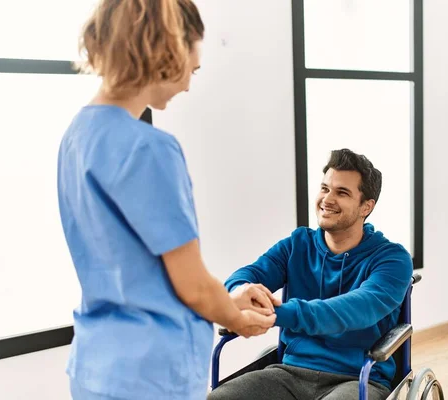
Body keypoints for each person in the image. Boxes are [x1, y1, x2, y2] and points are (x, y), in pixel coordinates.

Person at [57, 1, 277, 399]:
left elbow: (136, 273)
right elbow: (192, 285)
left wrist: (225, 299)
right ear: (167, 48)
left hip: (97, 368)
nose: (188, 85)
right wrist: (237, 319)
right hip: (151, 377)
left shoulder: (77, 136)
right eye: (191, 70)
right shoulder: (149, 149)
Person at [208, 149, 414, 400]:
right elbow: (250, 275)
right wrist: (239, 294)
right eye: (325, 188)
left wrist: (275, 315)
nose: (327, 199)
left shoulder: (392, 259)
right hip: (290, 371)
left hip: (358, 379)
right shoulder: (297, 245)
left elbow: (353, 310)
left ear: (366, 207)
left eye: (342, 192)